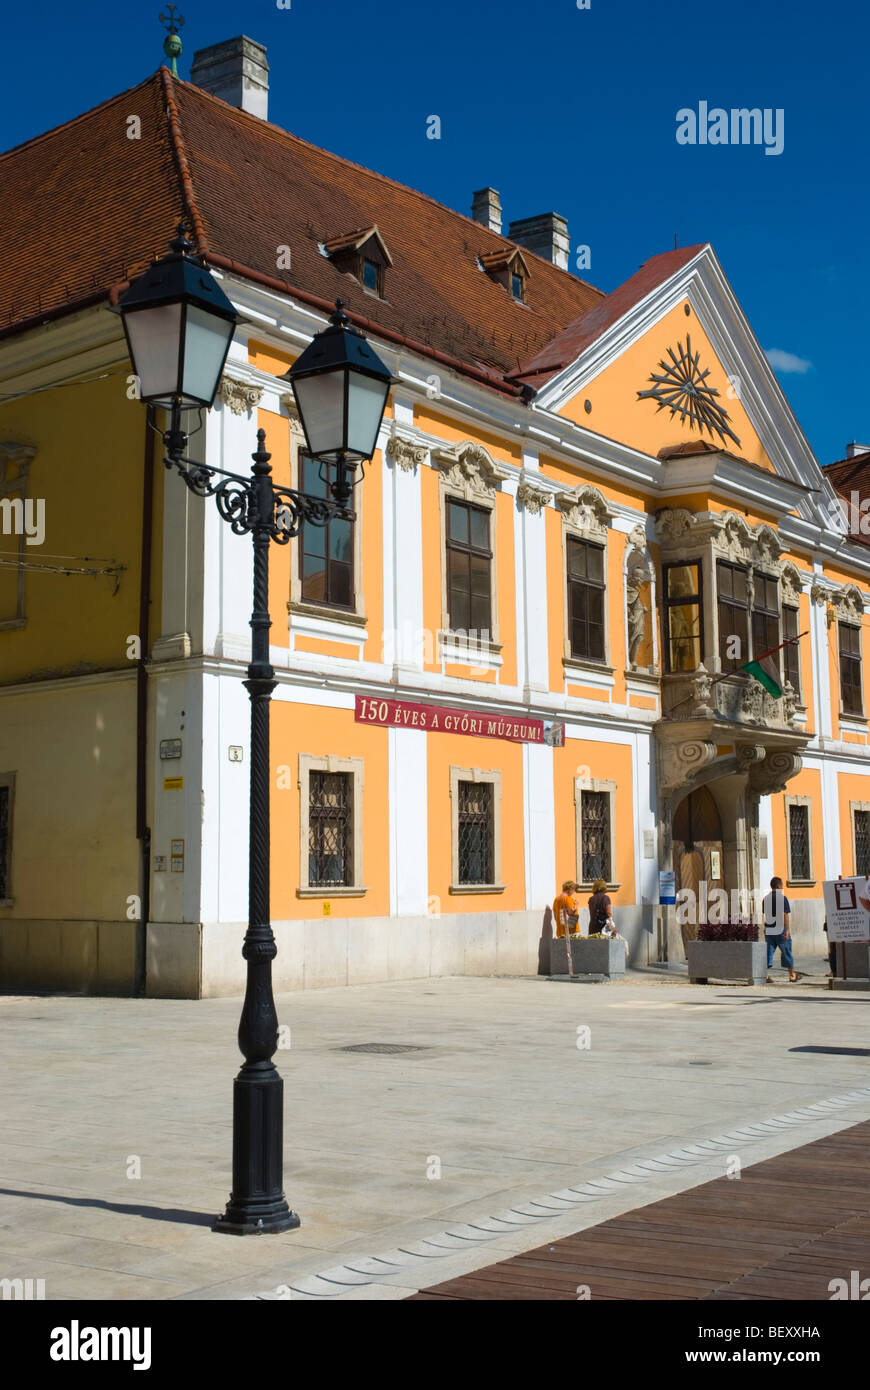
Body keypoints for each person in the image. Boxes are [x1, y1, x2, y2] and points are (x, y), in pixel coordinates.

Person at [763, 876, 798, 982]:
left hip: (769, 929)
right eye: (782, 886)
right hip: (780, 929)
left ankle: (764, 975)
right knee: (786, 950)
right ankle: (792, 975)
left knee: (768, 952)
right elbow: (785, 915)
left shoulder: (765, 899)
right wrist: (787, 930)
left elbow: (765, 914)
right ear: (778, 886)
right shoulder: (782, 898)